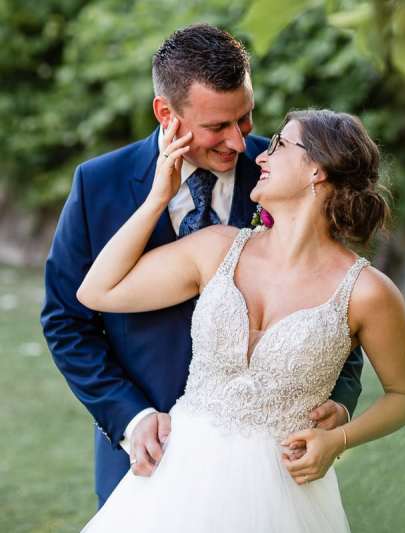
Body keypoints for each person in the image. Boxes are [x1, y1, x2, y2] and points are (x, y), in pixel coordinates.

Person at [40, 24, 364, 507]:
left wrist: (341, 397)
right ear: (165, 113)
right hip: (145, 457)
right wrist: (130, 418)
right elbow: (67, 321)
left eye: (246, 118)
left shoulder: (286, 176)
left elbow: (334, 302)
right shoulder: (97, 186)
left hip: (268, 468)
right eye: (217, 127)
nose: (237, 143)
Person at [76, 109, 405, 531]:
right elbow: (97, 292)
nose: (260, 156)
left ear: (317, 169)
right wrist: (157, 199)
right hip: (180, 480)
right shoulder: (216, 249)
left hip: (283, 494)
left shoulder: (368, 292)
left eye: (279, 145)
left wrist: (338, 439)